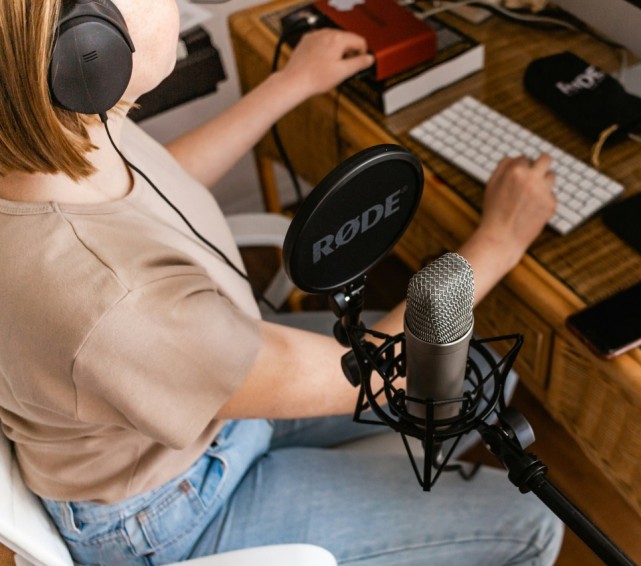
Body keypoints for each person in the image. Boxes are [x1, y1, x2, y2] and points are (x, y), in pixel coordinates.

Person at [0, 1, 564, 564]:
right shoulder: (114, 305)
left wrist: (290, 84)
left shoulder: (52, 139)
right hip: (177, 505)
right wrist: (501, 240)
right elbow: (371, 374)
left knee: (478, 376)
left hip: (195, 398)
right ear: (80, 45)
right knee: (534, 523)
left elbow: (152, 183)